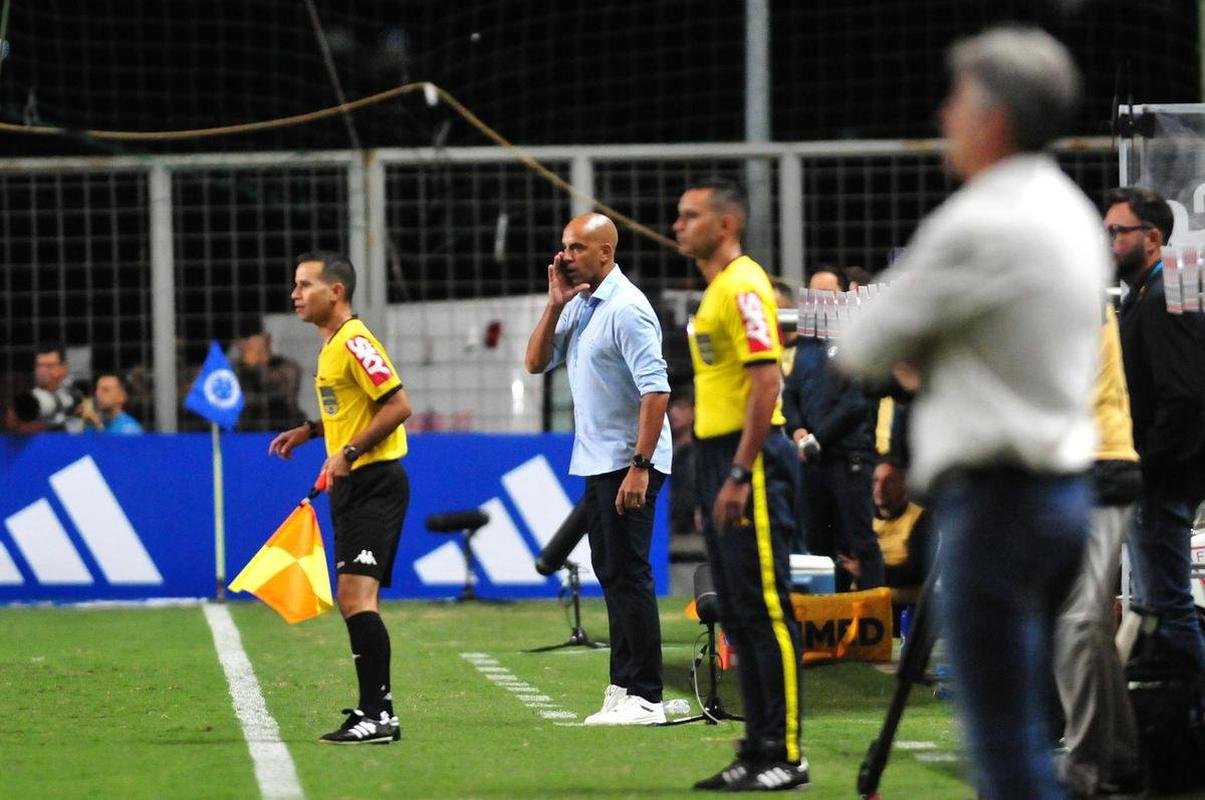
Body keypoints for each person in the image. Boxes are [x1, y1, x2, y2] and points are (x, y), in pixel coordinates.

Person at [836, 27, 1106, 799]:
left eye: (956, 100)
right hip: (1062, 494)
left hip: (996, 500)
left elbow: (858, 343)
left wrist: (921, 345)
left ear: (992, 116)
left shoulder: (978, 220)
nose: (942, 114)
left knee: (1005, 752)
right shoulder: (1071, 212)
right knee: (1027, 723)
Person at [675, 178, 807, 792]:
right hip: (719, 457)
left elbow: (766, 386)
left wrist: (735, 472)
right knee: (739, 612)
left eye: (690, 215)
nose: (678, 225)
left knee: (767, 609)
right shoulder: (715, 293)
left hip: (746, 460)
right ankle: (756, 750)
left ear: (726, 225)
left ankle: (787, 754)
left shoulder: (745, 286)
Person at [524, 212, 673, 726]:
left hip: (629, 459)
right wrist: (552, 306)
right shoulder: (581, 305)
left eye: (576, 248)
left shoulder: (628, 309)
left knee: (630, 573)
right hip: (599, 460)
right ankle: (623, 685)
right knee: (611, 572)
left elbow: (657, 390)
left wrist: (640, 466)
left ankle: (647, 695)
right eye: (563, 246)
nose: (564, 256)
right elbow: (535, 363)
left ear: (606, 253)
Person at [268, 251, 412, 745]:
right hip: (353, 484)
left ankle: (379, 714)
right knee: (354, 598)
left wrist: (348, 451)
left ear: (336, 292)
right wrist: (311, 431)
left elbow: (398, 404)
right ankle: (376, 712)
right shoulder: (331, 345)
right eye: (295, 284)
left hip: (374, 482)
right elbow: (349, 409)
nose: (295, 293)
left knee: (356, 597)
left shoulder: (354, 340)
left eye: (306, 284)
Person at [1107, 186, 1205, 672]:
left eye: (1117, 232)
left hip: (1160, 480)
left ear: (1152, 237)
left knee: (1167, 608)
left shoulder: (1163, 297)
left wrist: (1147, 466)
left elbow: (1183, 394)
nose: (1108, 241)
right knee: (1154, 607)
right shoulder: (1146, 295)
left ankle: (1193, 725)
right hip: (1160, 477)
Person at [1053, 301, 1144, 797]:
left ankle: (1084, 763)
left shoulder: (1072, 283)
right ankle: (1123, 757)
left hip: (1098, 463)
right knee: (1083, 624)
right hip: (1077, 464)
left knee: (1079, 620)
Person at [783, 271, 884, 585]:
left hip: (848, 457)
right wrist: (797, 429)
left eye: (829, 292)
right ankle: (826, 623)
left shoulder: (859, 336)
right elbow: (791, 391)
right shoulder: (807, 343)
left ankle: (878, 625)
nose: (823, 300)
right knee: (816, 544)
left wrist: (816, 438)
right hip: (813, 461)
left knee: (859, 540)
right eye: (816, 293)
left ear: (842, 295)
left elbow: (856, 402)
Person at [235, 331, 305, 432]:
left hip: (284, 427)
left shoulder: (286, 366)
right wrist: (249, 366)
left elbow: (284, 394)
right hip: (245, 429)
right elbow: (239, 399)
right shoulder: (234, 369)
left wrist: (257, 364)